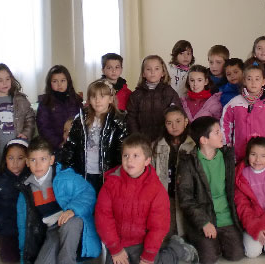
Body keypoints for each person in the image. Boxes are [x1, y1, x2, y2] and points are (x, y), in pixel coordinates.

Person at [95, 134, 198, 264]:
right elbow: (103, 217)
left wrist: (148, 255)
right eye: (126, 155)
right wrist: (115, 249)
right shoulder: (111, 184)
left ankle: (178, 249)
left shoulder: (156, 189)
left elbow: (159, 226)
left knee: (155, 261)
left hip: (143, 243)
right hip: (118, 243)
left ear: (147, 161)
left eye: (135, 156)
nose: (129, 160)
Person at [16, 137, 100, 264]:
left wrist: (73, 210)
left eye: (43, 159)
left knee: (70, 224)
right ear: (27, 162)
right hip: (52, 230)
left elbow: (88, 193)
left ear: (51, 160)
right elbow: (24, 226)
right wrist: (24, 254)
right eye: (33, 160)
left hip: (73, 221)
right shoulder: (26, 189)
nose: (38, 165)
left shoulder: (65, 177)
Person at [177, 116, 245, 264]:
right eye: (217, 132)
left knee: (236, 254)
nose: (222, 135)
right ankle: (189, 244)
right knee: (208, 258)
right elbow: (186, 198)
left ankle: (216, 242)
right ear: (204, 140)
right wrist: (204, 223)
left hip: (226, 217)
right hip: (204, 217)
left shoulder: (227, 156)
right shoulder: (188, 162)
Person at [61, 79, 128, 194]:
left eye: (102, 96)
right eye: (93, 97)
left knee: (103, 201)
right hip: (84, 172)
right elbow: (71, 145)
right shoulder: (81, 119)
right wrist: (66, 168)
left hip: (108, 174)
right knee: (86, 200)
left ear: (110, 99)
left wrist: (120, 173)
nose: (97, 100)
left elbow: (122, 150)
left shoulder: (118, 122)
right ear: (89, 100)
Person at [221, 63, 265, 161]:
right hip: (240, 155)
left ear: (263, 81)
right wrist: (226, 148)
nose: (253, 83)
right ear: (244, 81)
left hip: (262, 157)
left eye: (257, 79)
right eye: (249, 79)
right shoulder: (234, 103)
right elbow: (225, 125)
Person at [0, 138, 30, 262]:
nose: (15, 163)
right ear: (5, 159)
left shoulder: (32, 178)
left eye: (20, 158)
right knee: (9, 259)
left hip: (28, 227)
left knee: (30, 256)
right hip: (8, 228)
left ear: (27, 159)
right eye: (10, 158)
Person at [153, 106, 196, 238]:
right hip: (165, 197)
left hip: (187, 198)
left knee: (186, 233)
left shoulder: (193, 145)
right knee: (166, 233)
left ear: (186, 121)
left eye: (178, 121)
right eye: (169, 123)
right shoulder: (156, 145)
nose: (174, 126)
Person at [127, 55, 182, 141]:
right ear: (143, 73)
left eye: (157, 69)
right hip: (142, 139)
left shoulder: (170, 92)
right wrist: (136, 137)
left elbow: (177, 114)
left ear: (163, 72)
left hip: (165, 140)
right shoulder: (136, 95)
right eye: (148, 69)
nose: (153, 72)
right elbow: (131, 118)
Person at [37, 65, 83, 151]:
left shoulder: (76, 100)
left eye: (63, 80)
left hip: (75, 145)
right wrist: (59, 143)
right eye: (55, 81)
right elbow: (44, 127)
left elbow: (82, 122)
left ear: (68, 82)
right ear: (49, 83)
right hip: (54, 147)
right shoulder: (45, 102)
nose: (59, 84)